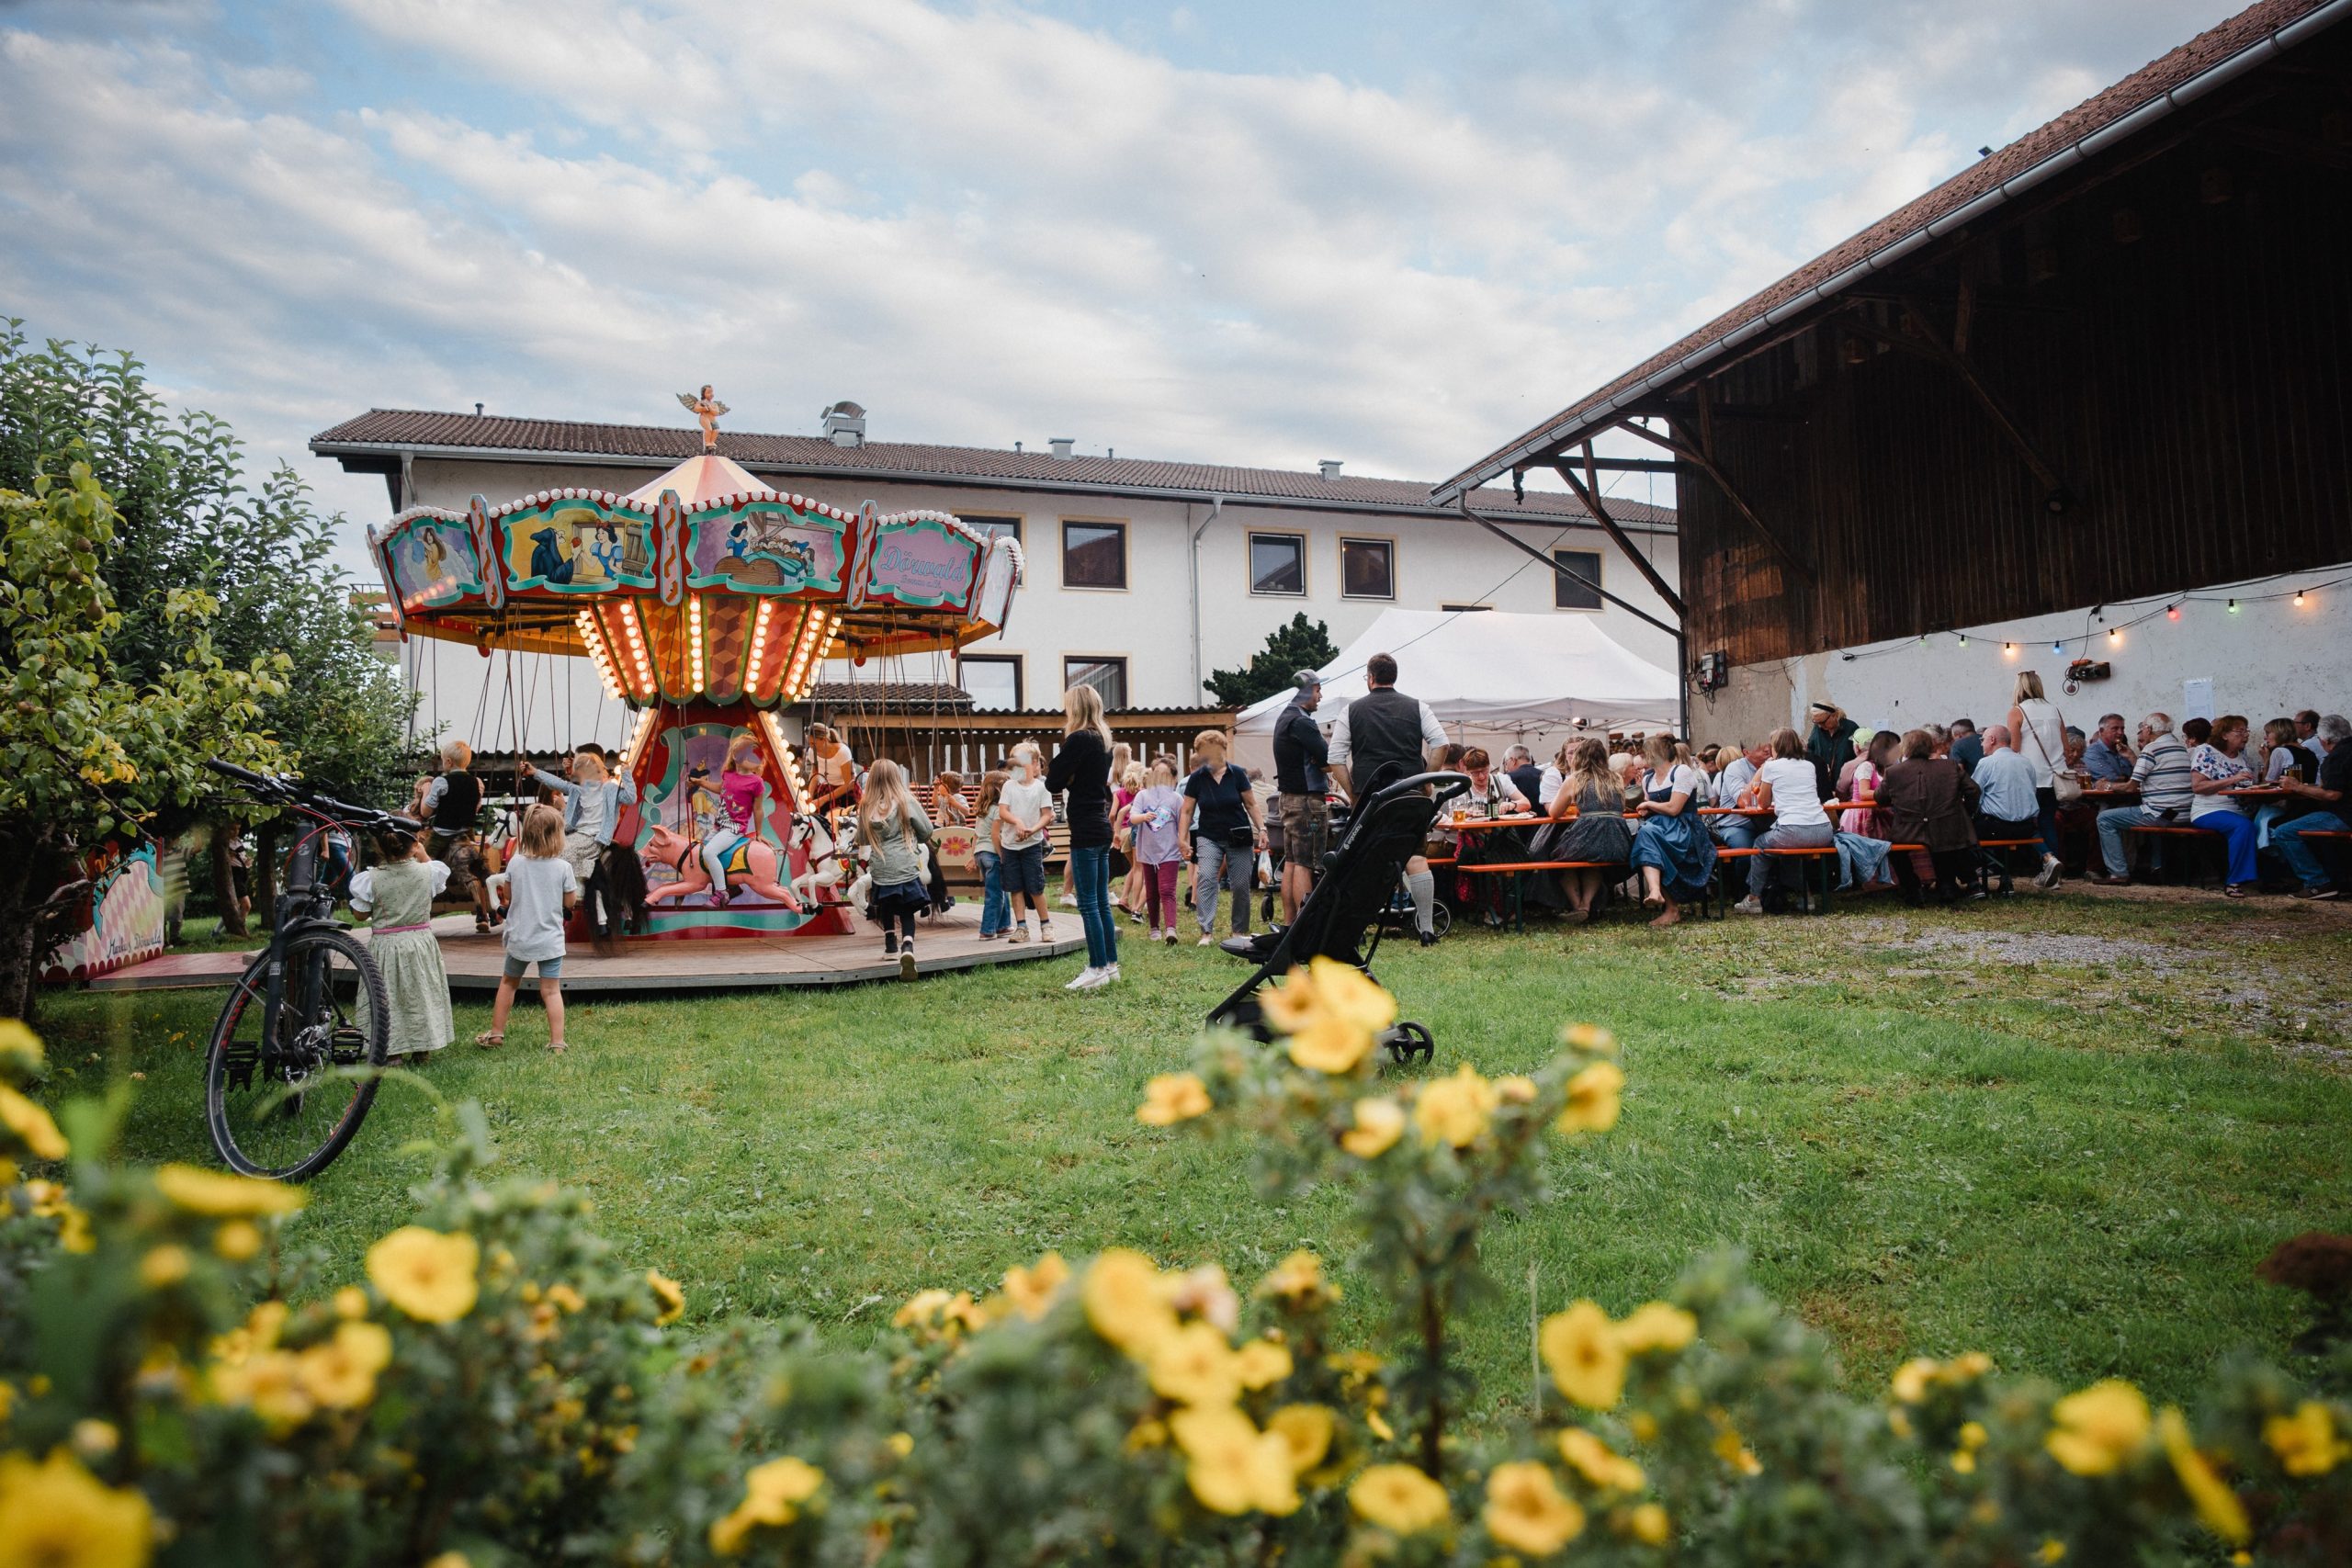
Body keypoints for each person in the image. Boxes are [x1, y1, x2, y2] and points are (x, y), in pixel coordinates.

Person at [1325, 651, 1449, 945]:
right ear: (1394, 677)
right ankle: (1427, 929)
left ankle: (1357, 930)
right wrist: (1426, 780)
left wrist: (1354, 794)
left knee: (1365, 860)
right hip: (1410, 794)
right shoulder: (1417, 706)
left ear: (1370, 678)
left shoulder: (1351, 711)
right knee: (1416, 856)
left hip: (1373, 799)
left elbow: (1335, 757)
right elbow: (1441, 743)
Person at [347, 826, 453, 1057]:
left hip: (386, 946)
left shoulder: (371, 879)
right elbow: (434, 880)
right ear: (415, 844)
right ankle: (422, 1049)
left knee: (388, 997)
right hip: (420, 944)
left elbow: (360, 915)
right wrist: (423, 854)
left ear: (379, 846)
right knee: (421, 994)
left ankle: (392, 1052)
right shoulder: (429, 871)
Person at [481, 803, 575, 1052]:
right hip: (550, 940)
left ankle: (496, 1034)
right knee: (551, 991)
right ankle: (557, 1042)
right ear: (556, 836)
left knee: (508, 983)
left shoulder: (516, 863)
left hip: (520, 937)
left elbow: (509, 895)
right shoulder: (563, 868)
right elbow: (570, 902)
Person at [1046, 685, 1119, 990]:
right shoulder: (1103, 740)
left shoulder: (1078, 740)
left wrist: (1069, 777)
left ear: (1074, 708)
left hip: (1085, 827)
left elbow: (1052, 781)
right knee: (1101, 901)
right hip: (1100, 825)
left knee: (1088, 903)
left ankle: (1096, 968)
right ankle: (1110, 965)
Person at [1531, 737, 1634, 923]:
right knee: (1593, 861)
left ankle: (1577, 905)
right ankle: (1586, 905)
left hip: (1589, 835)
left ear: (1580, 757)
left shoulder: (1575, 779)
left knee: (1560, 858)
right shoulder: (1616, 778)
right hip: (1619, 840)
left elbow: (1554, 812)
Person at [1733, 728, 1833, 915]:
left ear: (1775, 747)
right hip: (1823, 830)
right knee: (1791, 852)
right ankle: (1806, 896)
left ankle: (1754, 898)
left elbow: (1763, 804)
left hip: (1793, 830)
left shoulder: (1772, 767)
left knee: (1760, 844)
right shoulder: (1808, 765)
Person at [1877, 729, 1982, 905]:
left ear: (1905, 749)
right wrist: (1964, 812)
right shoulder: (1949, 766)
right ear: (1931, 746)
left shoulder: (1894, 772)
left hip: (1908, 829)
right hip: (1947, 825)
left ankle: (1912, 888)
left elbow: (1880, 798)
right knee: (1945, 845)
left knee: (1895, 851)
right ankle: (1947, 886)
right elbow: (1974, 790)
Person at [1179, 728, 1263, 945]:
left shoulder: (1237, 774)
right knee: (1206, 878)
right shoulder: (1197, 778)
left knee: (1241, 884)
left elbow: (1251, 804)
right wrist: (1182, 839)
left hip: (1238, 835)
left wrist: (1262, 829)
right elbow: (1186, 811)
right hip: (1209, 836)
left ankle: (1239, 931)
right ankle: (1206, 932)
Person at [2089, 713, 2193, 886]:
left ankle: (2118, 873)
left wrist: (2107, 786)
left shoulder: (2151, 749)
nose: (2142, 730)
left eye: (2143, 727)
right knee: (2150, 817)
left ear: (2149, 729)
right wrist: (2132, 757)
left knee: (2104, 818)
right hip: (2184, 813)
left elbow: (2131, 786)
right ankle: (2156, 867)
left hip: (2163, 815)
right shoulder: (2181, 749)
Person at [856, 759, 935, 977]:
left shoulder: (866, 805)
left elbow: (862, 838)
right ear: (896, 777)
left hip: (881, 866)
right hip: (905, 863)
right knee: (907, 909)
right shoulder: (905, 800)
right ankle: (907, 947)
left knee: (887, 903)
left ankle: (890, 945)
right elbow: (927, 830)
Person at [1626, 734, 1713, 927]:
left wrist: (1649, 804)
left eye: (1646, 752)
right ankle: (1658, 895)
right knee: (1647, 834)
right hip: (1658, 828)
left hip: (1683, 829)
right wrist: (1644, 808)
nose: (1643, 756)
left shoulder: (1681, 772)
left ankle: (1665, 901)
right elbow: (1649, 807)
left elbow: (1674, 808)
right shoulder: (1648, 778)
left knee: (1647, 835)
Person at [413, 739, 496, 932]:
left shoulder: (441, 782)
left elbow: (425, 812)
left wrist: (426, 791)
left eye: (443, 760)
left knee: (421, 864)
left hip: (443, 833)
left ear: (449, 762)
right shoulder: (476, 782)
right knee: (479, 867)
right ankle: (488, 912)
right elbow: (474, 808)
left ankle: (418, 907)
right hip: (466, 831)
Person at [526, 747, 637, 890]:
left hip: (595, 836)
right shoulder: (579, 791)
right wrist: (535, 772)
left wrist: (626, 773)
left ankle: (576, 883)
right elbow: (557, 783)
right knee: (550, 848)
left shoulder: (610, 789)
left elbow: (630, 798)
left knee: (564, 851)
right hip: (578, 833)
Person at [1272, 671, 1332, 926]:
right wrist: (1323, 763)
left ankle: (1290, 924)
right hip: (1307, 801)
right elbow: (1329, 759)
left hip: (1288, 799)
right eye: (1318, 690)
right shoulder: (1302, 722)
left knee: (1292, 862)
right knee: (1306, 864)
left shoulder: (1284, 718)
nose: (1321, 696)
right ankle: (1305, 927)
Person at [2274, 714, 2351, 899]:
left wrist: (2297, 787)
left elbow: (2332, 794)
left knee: (2284, 832)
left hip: (2345, 816)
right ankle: (2341, 880)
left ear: (2325, 740)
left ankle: (2317, 883)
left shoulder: (2337, 756)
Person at [2005, 671, 2070, 888]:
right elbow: (2066, 747)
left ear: (2019, 688)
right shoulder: (2054, 710)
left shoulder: (2017, 712)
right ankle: (2053, 875)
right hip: (2056, 777)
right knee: (2048, 821)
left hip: (2031, 776)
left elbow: (2014, 748)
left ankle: (2048, 858)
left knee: (2024, 822)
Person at [692, 732, 770, 908]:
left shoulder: (756, 782)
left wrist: (759, 833)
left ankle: (721, 893)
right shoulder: (728, 774)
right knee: (703, 852)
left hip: (734, 827)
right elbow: (721, 788)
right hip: (719, 825)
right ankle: (732, 886)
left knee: (709, 853)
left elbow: (758, 809)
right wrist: (700, 783)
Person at [2188, 714, 2262, 896]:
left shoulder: (2242, 758)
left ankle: (2271, 879)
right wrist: (2233, 779)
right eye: (2240, 731)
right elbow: (2198, 787)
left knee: (2268, 823)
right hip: (2210, 810)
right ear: (2224, 735)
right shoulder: (2206, 752)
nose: (2246, 735)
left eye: (2246, 731)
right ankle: (2234, 881)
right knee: (2243, 827)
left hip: (2241, 810)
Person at [996, 743, 1056, 943]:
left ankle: (1046, 925)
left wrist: (1033, 829)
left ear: (1034, 763)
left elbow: (1046, 814)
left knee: (1035, 887)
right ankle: (1021, 927)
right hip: (1010, 845)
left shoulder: (1041, 788)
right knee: (1015, 888)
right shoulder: (1009, 786)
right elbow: (1003, 811)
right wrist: (1017, 822)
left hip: (1032, 845)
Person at [1128, 757, 1186, 942]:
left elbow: (1182, 825)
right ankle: (1154, 928)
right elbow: (1132, 818)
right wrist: (1144, 816)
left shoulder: (1176, 799)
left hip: (1170, 852)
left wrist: (1185, 845)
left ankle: (1171, 930)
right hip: (1147, 852)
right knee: (1152, 892)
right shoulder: (1142, 796)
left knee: (1167, 890)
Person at [972, 769, 1012, 940]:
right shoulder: (997, 810)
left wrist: (973, 855)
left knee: (1002, 890)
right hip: (993, 854)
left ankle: (1003, 926)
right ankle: (987, 930)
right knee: (995, 894)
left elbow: (975, 835)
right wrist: (1002, 855)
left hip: (981, 853)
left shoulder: (983, 809)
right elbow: (995, 835)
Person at [1838, 730, 1899, 839]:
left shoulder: (1893, 767)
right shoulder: (1866, 766)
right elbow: (1864, 793)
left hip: (1882, 814)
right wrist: (1891, 794)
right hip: (1863, 817)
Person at [1712, 740, 1770, 851]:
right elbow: (1744, 802)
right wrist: (1762, 770)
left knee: (1786, 848)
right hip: (1736, 825)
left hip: (1766, 824)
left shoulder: (1776, 766)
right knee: (1746, 851)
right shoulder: (1735, 768)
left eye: (1768, 745)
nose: (1767, 749)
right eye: (1760, 747)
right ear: (1746, 752)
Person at [1804, 702, 1858, 802]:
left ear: (1833, 715)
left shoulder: (1851, 728)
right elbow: (1810, 750)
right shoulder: (1817, 729)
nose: (1820, 726)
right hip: (1823, 784)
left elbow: (1858, 754)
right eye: (1816, 722)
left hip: (1845, 784)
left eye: (1823, 722)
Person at [1114, 761, 1147, 920]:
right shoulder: (1143, 793)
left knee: (1135, 868)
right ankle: (1136, 905)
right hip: (1136, 830)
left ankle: (1124, 898)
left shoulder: (1119, 792)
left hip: (1123, 832)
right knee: (1139, 869)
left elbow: (1114, 814)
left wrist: (1116, 832)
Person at [804, 724, 858, 816]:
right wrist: (809, 796)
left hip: (845, 792)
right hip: (826, 789)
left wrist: (822, 800)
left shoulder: (842, 752)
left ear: (824, 739)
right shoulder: (812, 752)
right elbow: (815, 775)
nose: (811, 747)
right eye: (809, 743)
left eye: (813, 744)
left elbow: (849, 784)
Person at [2081, 714, 2135, 782]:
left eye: (2122, 728)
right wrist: (2133, 779)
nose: (2120, 732)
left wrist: (2132, 757)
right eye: (2115, 728)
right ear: (2101, 731)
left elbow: (2144, 775)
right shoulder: (2093, 752)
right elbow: (2112, 779)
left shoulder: (2125, 750)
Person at [1503, 744, 1544, 810]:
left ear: (1513, 760)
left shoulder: (1508, 778)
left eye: (1506, 763)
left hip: (1521, 816)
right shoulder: (1545, 775)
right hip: (1547, 816)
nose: (1506, 768)